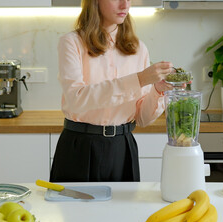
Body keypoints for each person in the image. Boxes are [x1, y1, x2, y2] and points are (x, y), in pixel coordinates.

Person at [50, 0, 174, 182]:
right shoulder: (72, 43)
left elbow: (142, 118)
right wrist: (139, 80)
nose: (125, 5)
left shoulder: (139, 49)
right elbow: (77, 99)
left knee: (124, 211)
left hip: (122, 148)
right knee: (74, 210)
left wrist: (158, 90)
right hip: (79, 147)